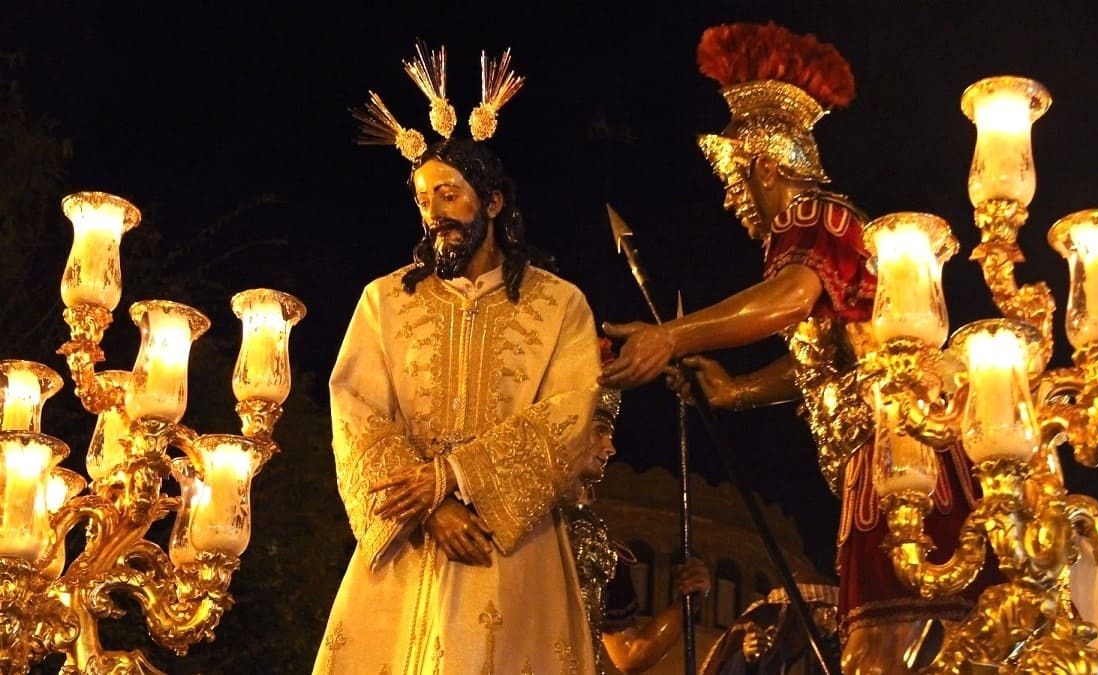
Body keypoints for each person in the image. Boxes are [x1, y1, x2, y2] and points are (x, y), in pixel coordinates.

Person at [600, 22, 995, 673]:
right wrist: (736, 390)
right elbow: (824, 355)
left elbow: (788, 299)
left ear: (762, 166)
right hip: (876, 454)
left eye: (733, 181)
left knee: (893, 642)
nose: (734, 201)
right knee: (886, 636)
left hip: (899, 450)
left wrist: (671, 334)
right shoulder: (829, 229)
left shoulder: (811, 218)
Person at [314, 52, 602, 674]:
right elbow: (356, 411)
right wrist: (430, 504)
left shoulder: (560, 304)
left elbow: (568, 418)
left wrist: (457, 477)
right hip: (407, 538)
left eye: (450, 193)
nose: (435, 212)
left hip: (508, 546)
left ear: (493, 203)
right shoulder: (384, 300)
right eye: (423, 199)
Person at [566, 340, 712, 674]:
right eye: (600, 431)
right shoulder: (515, 512)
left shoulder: (599, 547)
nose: (610, 446)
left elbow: (630, 654)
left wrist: (687, 604)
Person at [699, 577, 840, 675]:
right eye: (831, 612)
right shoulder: (764, 620)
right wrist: (748, 659)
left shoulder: (789, 652)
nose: (834, 628)